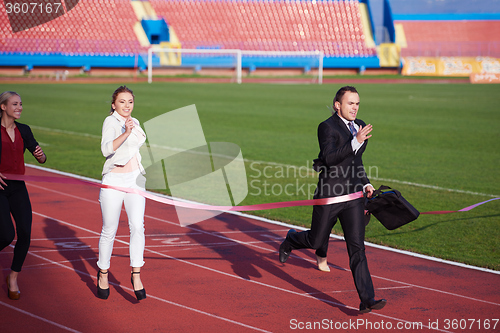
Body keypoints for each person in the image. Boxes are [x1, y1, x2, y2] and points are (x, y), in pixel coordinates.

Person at [278, 86, 387, 313]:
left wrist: (365, 182)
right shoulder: (326, 127)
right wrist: (354, 141)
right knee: (316, 242)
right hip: (329, 195)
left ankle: (367, 299)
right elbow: (329, 158)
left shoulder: (359, 126)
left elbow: (355, 161)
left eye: (357, 103)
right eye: (350, 103)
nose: (355, 108)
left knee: (357, 248)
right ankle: (291, 239)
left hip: (354, 197)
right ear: (338, 105)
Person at [96, 86, 147, 301]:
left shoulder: (135, 122)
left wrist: (131, 129)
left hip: (135, 180)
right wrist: (126, 133)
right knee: (110, 229)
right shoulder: (111, 122)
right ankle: (103, 272)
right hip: (114, 180)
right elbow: (106, 150)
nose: (127, 106)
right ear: (114, 104)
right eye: (122, 102)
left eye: (130, 102)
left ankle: (136, 274)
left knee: (137, 226)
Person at [0, 91, 46, 300]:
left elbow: (41, 158)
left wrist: (41, 155)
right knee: (7, 235)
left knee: (25, 233)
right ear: (3, 107)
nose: (19, 107)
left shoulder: (24, 130)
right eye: (15, 104)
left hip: (18, 187)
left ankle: (13, 277)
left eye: (21, 104)